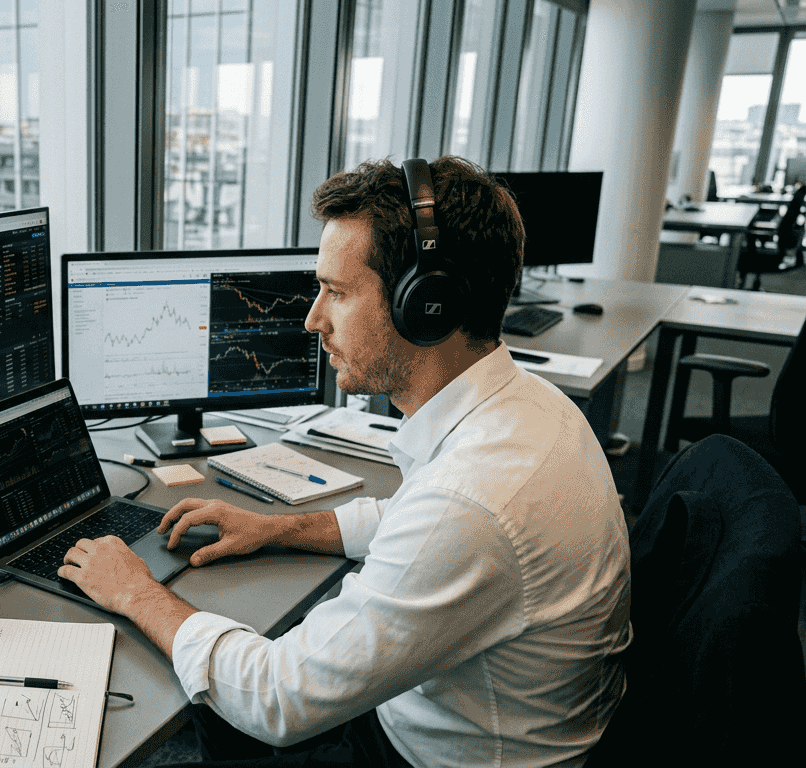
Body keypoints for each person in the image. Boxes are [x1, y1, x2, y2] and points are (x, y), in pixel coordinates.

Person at [58, 157, 632, 767]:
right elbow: (414, 518)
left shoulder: (472, 502)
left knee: (212, 676)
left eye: (337, 292)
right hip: (446, 717)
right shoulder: (528, 408)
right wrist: (279, 528)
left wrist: (136, 593)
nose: (313, 320)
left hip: (423, 756)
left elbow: (279, 699)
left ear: (426, 304)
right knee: (224, 660)